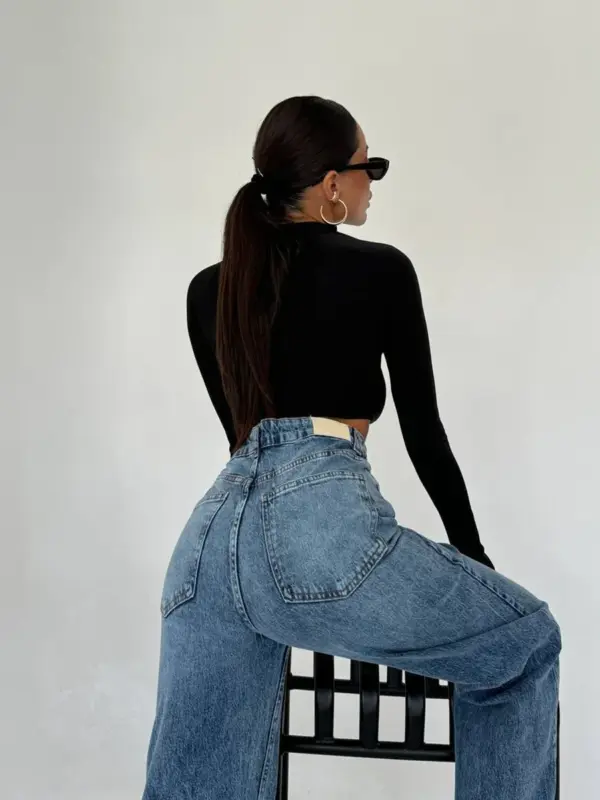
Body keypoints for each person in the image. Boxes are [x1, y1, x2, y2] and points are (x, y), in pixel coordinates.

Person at [142, 96, 561, 799]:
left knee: (205, 783)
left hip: (207, 549)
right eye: (373, 167)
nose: (375, 184)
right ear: (334, 183)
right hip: (318, 528)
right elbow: (423, 430)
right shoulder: (381, 270)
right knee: (525, 645)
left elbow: (242, 440)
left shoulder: (208, 290)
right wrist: (471, 555)